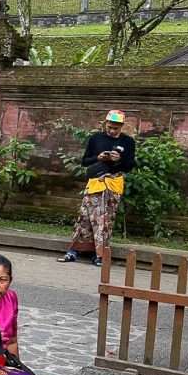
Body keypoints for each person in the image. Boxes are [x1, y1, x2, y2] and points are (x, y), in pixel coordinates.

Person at [58, 110, 136, 267]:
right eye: (110, 127)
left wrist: (119, 159)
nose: (112, 130)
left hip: (113, 184)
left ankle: (99, 255)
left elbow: (129, 166)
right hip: (95, 182)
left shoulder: (128, 142)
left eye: (116, 128)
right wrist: (98, 157)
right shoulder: (96, 139)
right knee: (85, 218)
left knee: (105, 220)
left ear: (122, 126)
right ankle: (75, 250)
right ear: (105, 124)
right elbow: (85, 161)